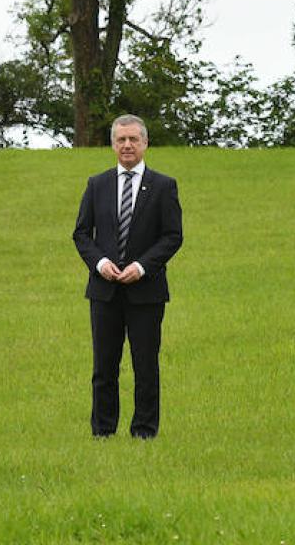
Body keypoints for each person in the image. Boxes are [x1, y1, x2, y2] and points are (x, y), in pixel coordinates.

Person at [73, 114, 183, 438]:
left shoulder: (164, 186)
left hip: (146, 292)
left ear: (145, 143)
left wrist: (142, 267)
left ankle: (144, 432)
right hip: (104, 292)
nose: (127, 145)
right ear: (112, 144)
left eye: (133, 139)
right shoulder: (97, 184)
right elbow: (81, 234)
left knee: (145, 366)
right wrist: (100, 263)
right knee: (103, 368)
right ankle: (103, 432)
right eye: (121, 140)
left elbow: (172, 236)